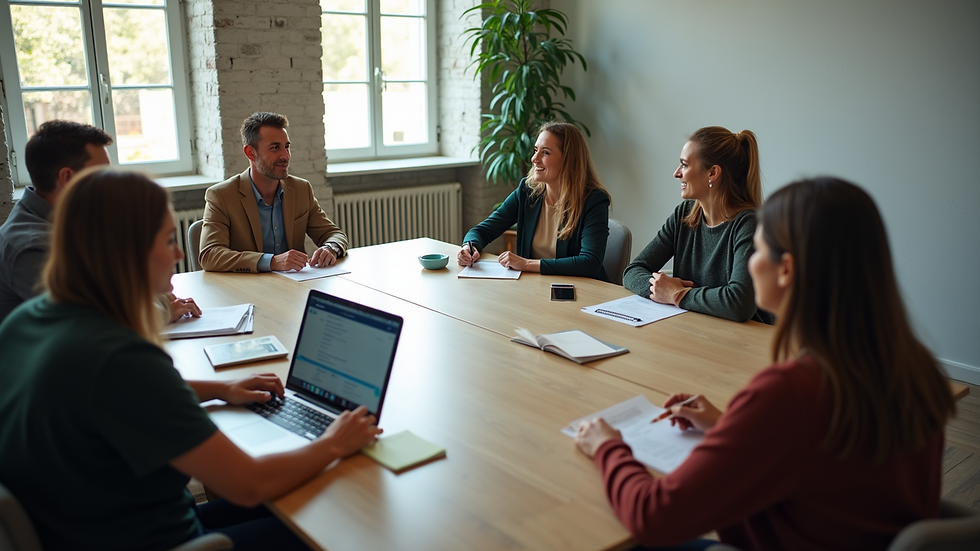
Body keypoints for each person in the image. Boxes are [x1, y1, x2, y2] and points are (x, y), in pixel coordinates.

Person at [0, 168, 381, 551]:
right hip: (156, 538)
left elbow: (116, 394)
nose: (180, 254)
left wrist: (221, 387)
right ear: (122, 249)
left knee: (294, 503)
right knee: (339, 522)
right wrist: (333, 443)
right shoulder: (120, 356)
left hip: (90, 526)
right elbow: (250, 484)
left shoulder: (26, 322)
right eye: (167, 240)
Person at [575, 178, 956, 551]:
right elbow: (829, 461)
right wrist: (732, 426)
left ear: (786, 269)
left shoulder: (792, 391)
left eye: (756, 252)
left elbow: (653, 516)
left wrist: (609, 446)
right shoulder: (914, 369)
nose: (749, 266)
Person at [622, 126, 771, 323]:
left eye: (684, 165)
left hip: (743, 342)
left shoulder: (748, 224)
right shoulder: (684, 214)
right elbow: (632, 271)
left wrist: (678, 295)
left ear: (712, 173)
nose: (677, 173)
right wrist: (661, 289)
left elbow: (739, 304)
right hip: (694, 328)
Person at [457, 121, 612, 281]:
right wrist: (468, 247)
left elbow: (590, 262)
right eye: (536, 150)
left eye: (545, 152)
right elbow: (482, 231)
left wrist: (527, 264)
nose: (534, 159)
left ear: (568, 160)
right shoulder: (527, 191)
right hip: (535, 287)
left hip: (581, 291)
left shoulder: (593, 200)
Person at [200, 112, 349, 273]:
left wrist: (330, 247)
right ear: (250, 152)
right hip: (248, 289)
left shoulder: (301, 189)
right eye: (275, 147)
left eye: (287, 147)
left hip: (295, 286)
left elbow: (333, 234)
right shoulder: (221, 196)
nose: (285, 156)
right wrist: (271, 261)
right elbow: (210, 255)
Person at [0, 120, 112, 323]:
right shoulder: (32, 247)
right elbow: (89, 322)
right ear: (68, 177)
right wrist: (161, 309)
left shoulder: (69, 220)